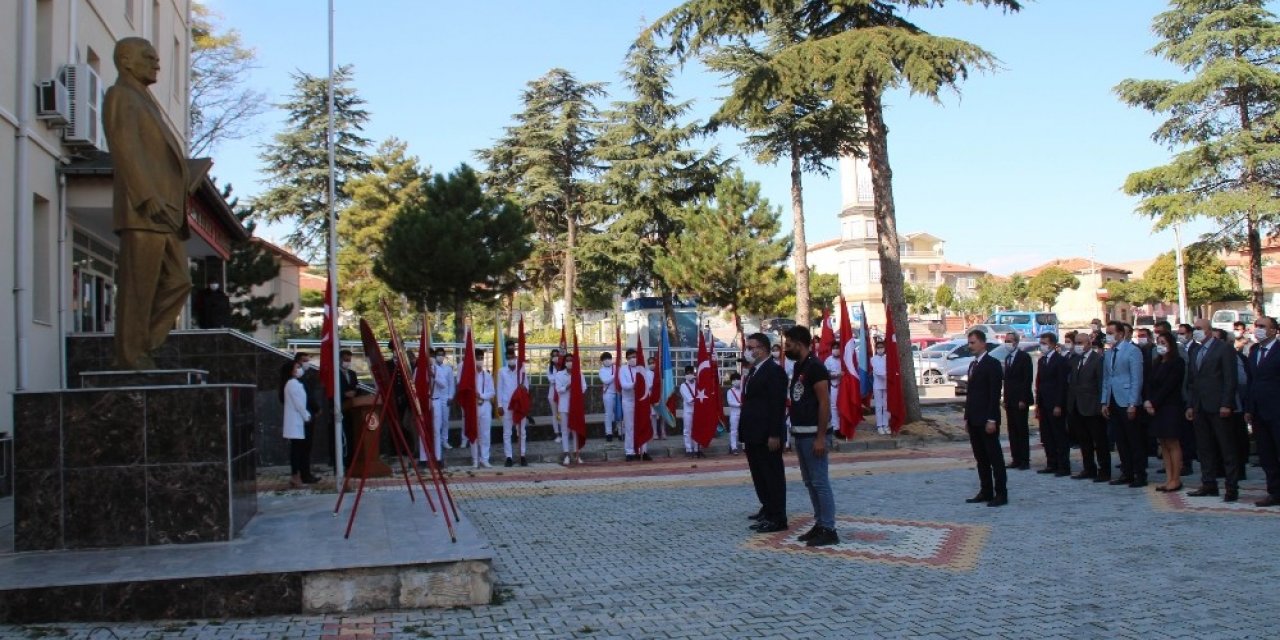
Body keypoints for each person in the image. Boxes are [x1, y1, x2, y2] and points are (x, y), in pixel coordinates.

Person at [102, 38, 194, 370]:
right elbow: (124, 147)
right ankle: (130, 356)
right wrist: (145, 194)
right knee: (137, 289)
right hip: (144, 209)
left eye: (157, 58)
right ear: (126, 61)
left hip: (164, 210)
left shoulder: (145, 99)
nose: (157, 64)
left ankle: (147, 344)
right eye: (149, 58)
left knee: (180, 280)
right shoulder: (121, 96)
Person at [783, 325, 839, 546]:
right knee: (809, 482)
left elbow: (824, 403)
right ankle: (820, 523)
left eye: (788, 345)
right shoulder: (799, 366)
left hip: (814, 435)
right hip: (801, 433)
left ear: (800, 343)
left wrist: (820, 437)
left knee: (820, 481)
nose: (786, 349)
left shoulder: (816, 367)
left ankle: (829, 528)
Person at [1184, 318, 1240, 501]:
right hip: (1200, 406)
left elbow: (1230, 378)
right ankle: (1208, 483)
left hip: (1218, 405)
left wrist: (1226, 403)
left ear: (1208, 330)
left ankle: (1231, 487)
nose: (1196, 331)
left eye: (1199, 328)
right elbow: (1192, 381)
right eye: (1195, 328)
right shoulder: (1195, 350)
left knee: (1226, 447)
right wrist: (1191, 405)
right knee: (1204, 448)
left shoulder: (1223, 349)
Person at [742, 332, 789, 533]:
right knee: (759, 473)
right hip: (753, 432)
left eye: (751, 348)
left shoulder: (774, 371)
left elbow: (776, 405)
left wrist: (774, 434)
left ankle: (778, 516)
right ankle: (767, 509)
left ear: (762, 349)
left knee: (772, 474)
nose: (748, 351)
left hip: (767, 433)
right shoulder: (755, 370)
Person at [963, 330, 1007, 507]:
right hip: (974, 419)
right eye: (969, 343)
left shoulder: (992, 364)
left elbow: (993, 394)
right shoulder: (973, 365)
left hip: (987, 419)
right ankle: (986, 490)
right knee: (981, 458)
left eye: (973, 343)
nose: (970, 346)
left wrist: (992, 419)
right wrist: (967, 417)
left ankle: (1001, 493)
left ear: (982, 343)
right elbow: (971, 395)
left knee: (994, 458)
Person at [1101, 321, 1147, 488]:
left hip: (1127, 399)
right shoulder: (1109, 352)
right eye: (1107, 332)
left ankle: (1140, 474)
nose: (1109, 335)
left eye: (1111, 332)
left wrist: (1133, 403)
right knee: (1120, 439)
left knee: (1134, 439)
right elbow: (1107, 378)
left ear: (1120, 334)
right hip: (1113, 399)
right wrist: (1104, 401)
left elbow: (1137, 378)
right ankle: (1126, 472)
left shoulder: (1132, 351)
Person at [1245, 316, 1280, 507]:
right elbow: (1251, 381)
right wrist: (1249, 408)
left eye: (1262, 326)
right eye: (1256, 326)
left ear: (1273, 330)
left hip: (1276, 409)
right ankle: (1274, 491)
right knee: (1266, 454)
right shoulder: (1254, 351)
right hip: (1259, 411)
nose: (1258, 329)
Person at [1146, 331, 1186, 492]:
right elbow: (1150, 383)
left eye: (1164, 342)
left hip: (1170, 406)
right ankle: (1169, 477)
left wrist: (1154, 402)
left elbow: (1170, 385)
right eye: (1159, 342)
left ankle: (1176, 478)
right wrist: (1149, 401)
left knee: (1172, 442)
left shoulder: (1177, 362)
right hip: (1156, 408)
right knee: (1163, 443)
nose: (1161, 345)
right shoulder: (1156, 362)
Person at [1068, 333, 1108, 481]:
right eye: (1076, 343)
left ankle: (1104, 470)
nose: (1078, 345)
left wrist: (1101, 404)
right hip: (1077, 406)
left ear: (1089, 343)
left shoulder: (1097, 360)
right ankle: (1088, 468)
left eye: (1080, 343)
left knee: (1099, 440)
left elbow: (1100, 384)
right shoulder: (1076, 360)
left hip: (1092, 407)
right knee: (1084, 440)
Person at [1035, 332, 1071, 477]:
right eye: (1041, 343)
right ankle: (1051, 463)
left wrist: (1058, 404)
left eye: (1045, 343)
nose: (1042, 345)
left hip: (1055, 403)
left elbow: (1062, 385)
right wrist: (1038, 404)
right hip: (1044, 403)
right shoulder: (1042, 361)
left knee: (1059, 436)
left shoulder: (1060, 361)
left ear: (1053, 344)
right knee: (1047, 436)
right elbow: (1040, 384)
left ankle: (1063, 466)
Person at [1002, 331, 1033, 470]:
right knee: (1012, 430)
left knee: (1021, 430)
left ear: (1016, 342)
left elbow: (1027, 380)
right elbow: (1007, 381)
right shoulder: (1008, 358)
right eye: (1006, 340)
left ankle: (1024, 460)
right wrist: (1005, 398)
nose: (1007, 343)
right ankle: (1016, 458)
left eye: (1010, 340)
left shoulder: (1024, 357)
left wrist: (1023, 398)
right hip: (1010, 400)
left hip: (1020, 400)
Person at [281, 360, 314, 488]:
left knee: (297, 450)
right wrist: (306, 415)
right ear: (291, 371)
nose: (299, 369)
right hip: (296, 421)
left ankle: (296, 476)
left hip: (297, 421)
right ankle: (295, 476)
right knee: (296, 451)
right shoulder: (292, 384)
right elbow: (298, 403)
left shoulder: (293, 383)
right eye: (297, 367)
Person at [618, 349, 652, 461]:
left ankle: (643, 450)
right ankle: (630, 451)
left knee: (643, 425)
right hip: (628, 401)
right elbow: (624, 385)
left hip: (641, 400)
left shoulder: (643, 369)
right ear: (627, 359)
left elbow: (649, 383)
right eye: (630, 357)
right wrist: (634, 384)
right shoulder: (623, 369)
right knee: (629, 427)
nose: (633, 359)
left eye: (635, 356)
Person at [554, 353, 588, 465]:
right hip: (564, 406)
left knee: (575, 430)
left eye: (571, 360)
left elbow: (584, 388)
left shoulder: (579, 374)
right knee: (565, 431)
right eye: (567, 360)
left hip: (575, 406)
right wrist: (569, 386)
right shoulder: (559, 374)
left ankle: (576, 454)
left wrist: (576, 389)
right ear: (564, 362)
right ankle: (566, 454)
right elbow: (559, 389)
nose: (570, 362)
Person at [497, 348, 529, 467]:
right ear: (506, 359)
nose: (511, 359)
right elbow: (499, 388)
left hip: (519, 404)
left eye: (513, 357)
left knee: (521, 431)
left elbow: (527, 388)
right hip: (506, 405)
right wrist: (499, 405)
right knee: (507, 432)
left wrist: (523, 388)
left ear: (516, 358)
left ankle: (522, 455)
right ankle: (509, 456)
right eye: (509, 357)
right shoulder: (502, 371)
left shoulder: (521, 371)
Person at [471, 349, 495, 469]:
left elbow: (492, 392)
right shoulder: (470, 376)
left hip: (485, 406)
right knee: (474, 434)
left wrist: (482, 396)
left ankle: (484, 459)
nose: (479, 360)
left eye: (481, 358)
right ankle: (475, 459)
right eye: (477, 358)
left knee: (485, 434)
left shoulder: (487, 375)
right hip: (473, 407)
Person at [431, 347, 455, 465]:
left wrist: (451, 396)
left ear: (444, 356)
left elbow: (451, 384)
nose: (440, 356)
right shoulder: (432, 368)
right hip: (435, 397)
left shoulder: (448, 369)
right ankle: (437, 442)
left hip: (445, 397)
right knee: (437, 422)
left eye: (442, 355)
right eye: (438, 355)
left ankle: (444, 440)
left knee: (445, 420)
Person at [338, 349, 362, 469]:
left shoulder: (352, 373)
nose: (347, 362)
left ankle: (353, 459)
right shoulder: (335, 374)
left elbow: (356, 386)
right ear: (340, 359)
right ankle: (342, 462)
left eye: (349, 360)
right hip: (341, 407)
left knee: (352, 434)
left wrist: (355, 392)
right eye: (345, 360)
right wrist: (344, 394)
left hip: (353, 408)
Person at [680, 365, 702, 457]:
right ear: (685, 374)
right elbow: (689, 400)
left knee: (697, 430)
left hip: (697, 411)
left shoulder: (698, 384)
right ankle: (688, 449)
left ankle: (697, 448)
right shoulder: (683, 386)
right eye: (688, 373)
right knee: (687, 430)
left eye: (691, 373)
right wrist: (698, 400)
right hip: (688, 411)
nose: (690, 374)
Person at [599, 352, 619, 442]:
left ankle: (620, 431)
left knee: (619, 414)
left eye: (609, 358)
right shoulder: (602, 370)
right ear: (602, 361)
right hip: (608, 394)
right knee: (609, 414)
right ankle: (608, 432)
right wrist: (615, 375)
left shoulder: (616, 367)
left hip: (618, 393)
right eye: (605, 359)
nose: (607, 360)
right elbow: (605, 381)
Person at [824, 344, 843, 437]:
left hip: (843, 386)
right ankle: (836, 428)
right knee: (834, 407)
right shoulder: (828, 360)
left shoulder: (843, 359)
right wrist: (837, 375)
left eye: (837, 348)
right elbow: (826, 374)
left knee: (842, 407)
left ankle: (843, 426)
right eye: (834, 348)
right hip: (834, 385)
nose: (836, 350)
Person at [871, 340, 890, 435]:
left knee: (886, 406)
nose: (880, 349)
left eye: (882, 347)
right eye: (878, 347)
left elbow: (890, 369)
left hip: (887, 385)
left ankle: (886, 425)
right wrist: (887, 376)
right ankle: (879, 425)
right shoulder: (873, 359)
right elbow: (877, 371)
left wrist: (889, 377)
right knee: (878, 406)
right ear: (876, 349)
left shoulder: (888, 358)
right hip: (877, 385)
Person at [547, 349, 563, 443]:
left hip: (562, 393)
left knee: (562, 414)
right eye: (553, 356)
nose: (556, 357)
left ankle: (563, 432)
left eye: (557, 355)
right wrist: (559, 377)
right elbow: (551, 380)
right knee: (555, 414)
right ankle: (557, 433)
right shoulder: (549, 367)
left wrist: (558, 377)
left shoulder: (563, 367)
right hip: (553, 393)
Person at [726, 372, 743, 455]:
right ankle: (733, 447)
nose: (737, 381)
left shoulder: (742, 390)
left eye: (738, 379)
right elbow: (730, 402)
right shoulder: (730, 391)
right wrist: (739, 404)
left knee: (743, 430)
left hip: (742, 413)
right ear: (732, 381)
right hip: (734, 413)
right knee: (734, 431)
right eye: (734, 379)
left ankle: (744, 447)